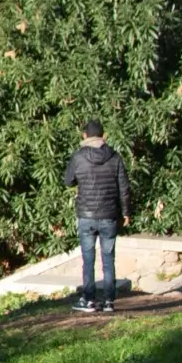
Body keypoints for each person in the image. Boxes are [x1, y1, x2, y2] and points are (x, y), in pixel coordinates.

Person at [64, 119, 133, 314]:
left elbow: (68, 181)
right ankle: (109, 301)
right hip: (109, 214)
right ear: (103, 135)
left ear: (84, 136)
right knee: (108, 259)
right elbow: (124, 188)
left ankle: (89, 300)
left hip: (86, 215)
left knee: (88, 259)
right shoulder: (115, 157)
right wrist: (126, 212)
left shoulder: (78, 157)